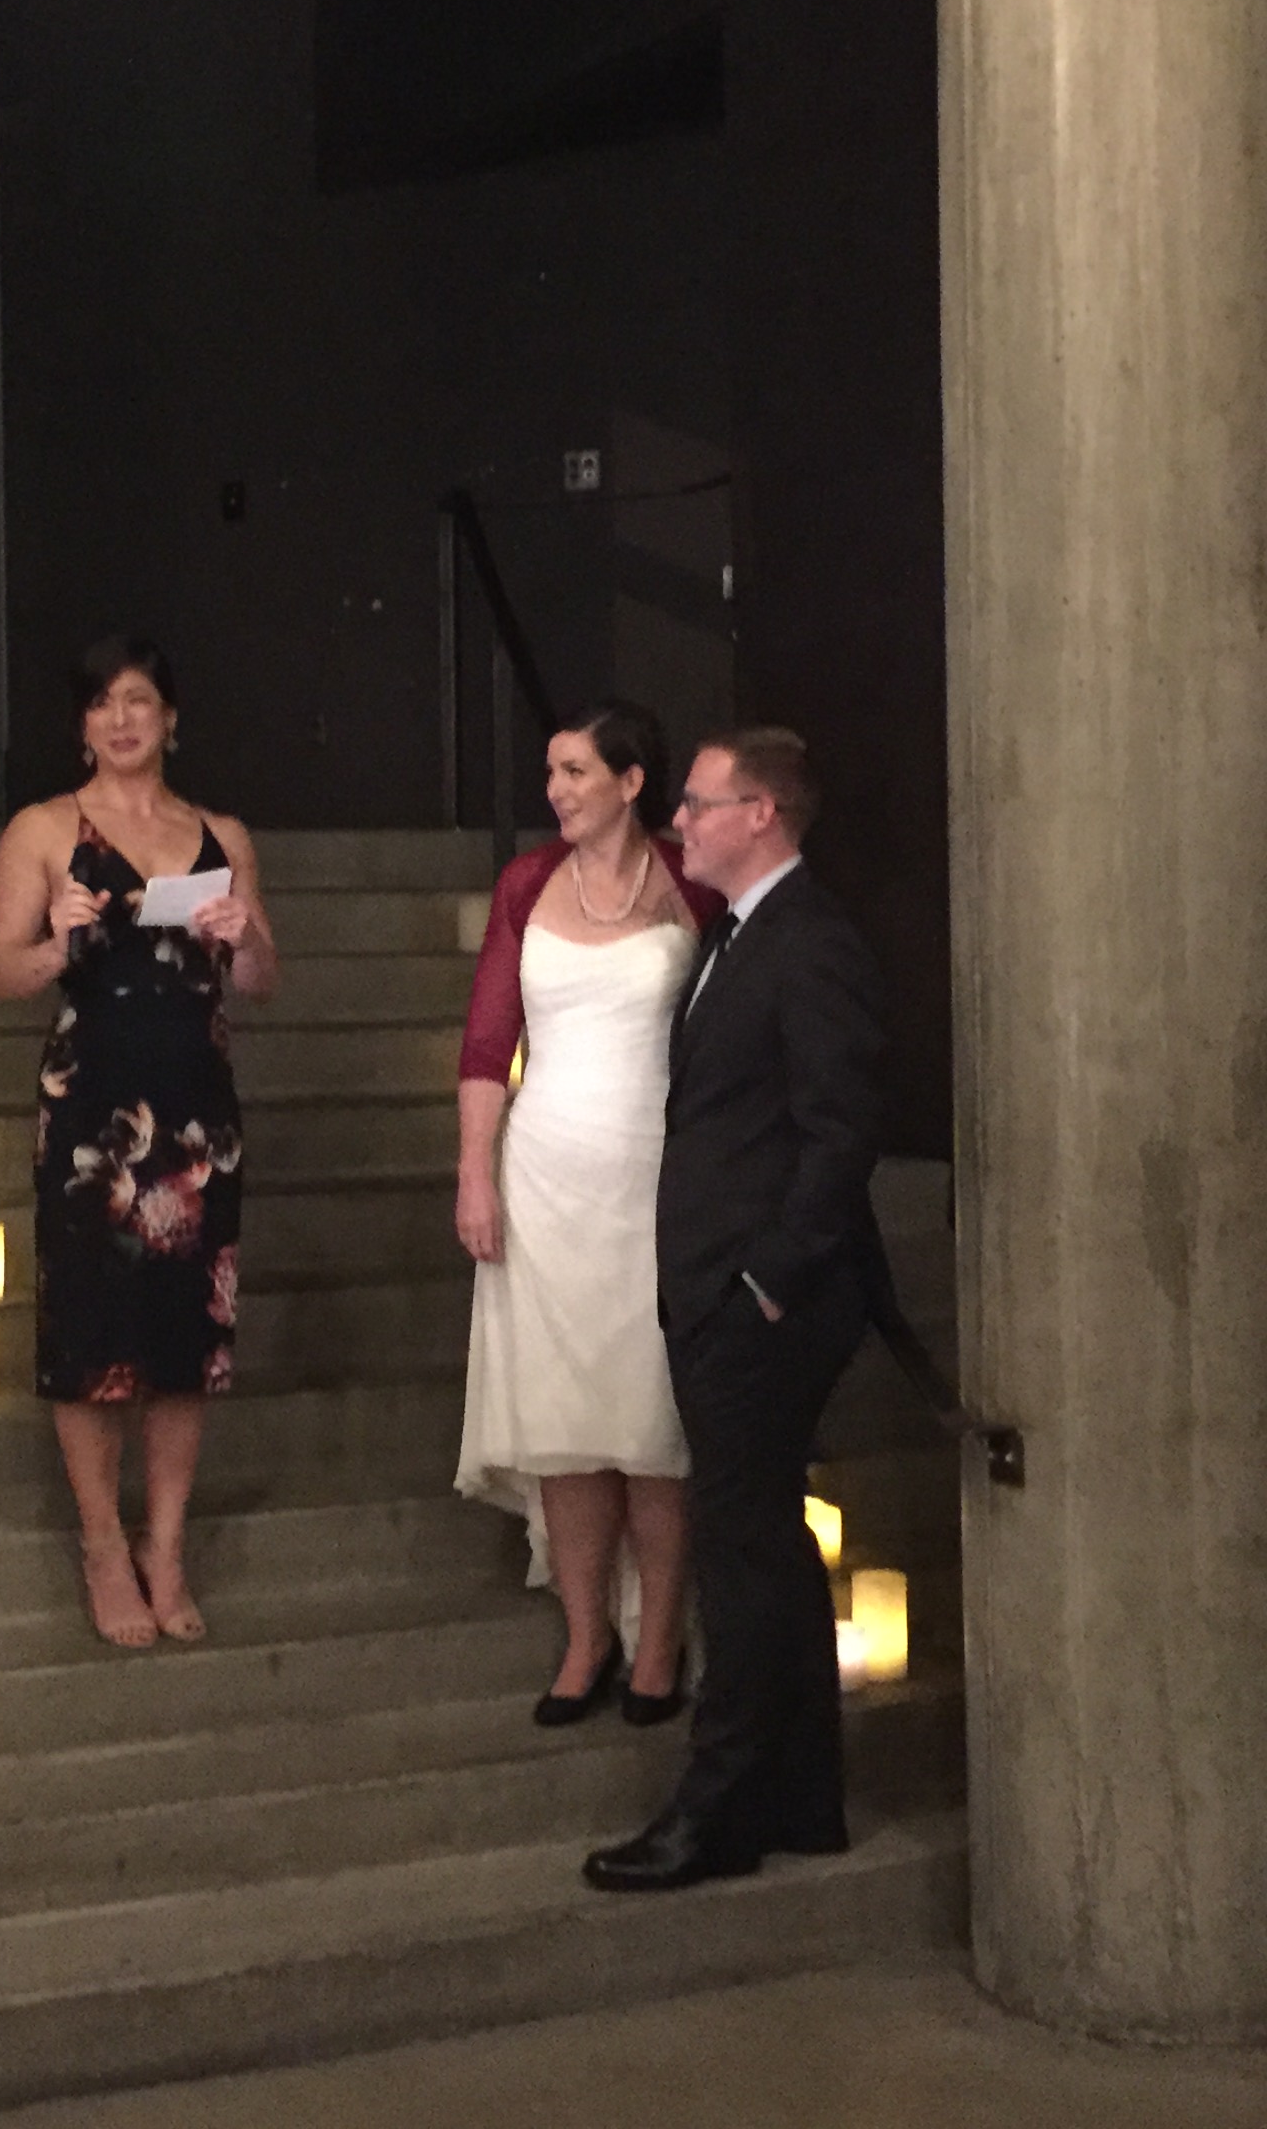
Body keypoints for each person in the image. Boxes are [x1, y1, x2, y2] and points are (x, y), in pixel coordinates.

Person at [586, 726, 887, 1892]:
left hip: (764, 1303)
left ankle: (714, 1814)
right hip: (721, 1289)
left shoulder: (810, 942)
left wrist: (767, 1279)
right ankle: (802, 1799)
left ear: (761, 814)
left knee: (742, 1556)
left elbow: (839, 1130)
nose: (681, 822)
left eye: (701, 804)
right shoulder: (739, 935)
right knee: (767, 1545)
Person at [0, 636, 277, 1649]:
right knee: (90, 1332)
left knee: (187, 1335)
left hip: (198, 1109)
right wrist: (56, 941)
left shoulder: (222, 833)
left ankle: (168, 1545)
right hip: (91, 1112)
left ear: (170, 718)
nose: (121, 720)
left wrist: (244, 935)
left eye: (139, 700)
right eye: (102, 703)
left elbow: (262, 981)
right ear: (82, 724)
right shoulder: (43, 829)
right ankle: (104, 1546)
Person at [452, 700, 719, 1728]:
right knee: (565, 1429)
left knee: (651, 1424)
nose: (555, 789)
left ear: (630, 781)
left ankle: (658, 1642)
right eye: (552, 771)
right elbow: (488, 1044)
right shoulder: (525, 884)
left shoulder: (691, 879)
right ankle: (584, 1637)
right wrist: (475, 1173)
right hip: (546, 1183)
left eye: (574, 771)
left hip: (659, 1183)